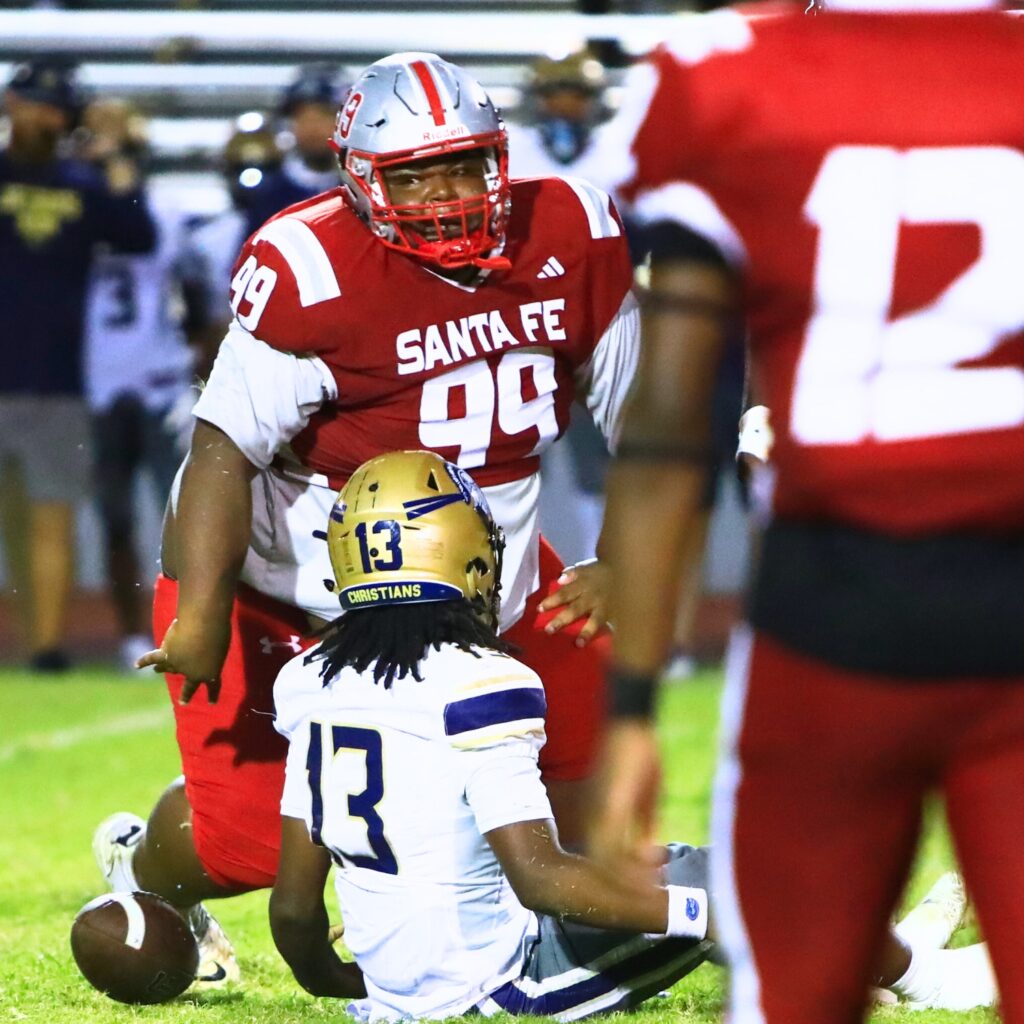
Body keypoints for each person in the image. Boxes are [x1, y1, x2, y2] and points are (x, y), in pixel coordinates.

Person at [93, 51, 638, 983]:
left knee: (577, 801)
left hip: (482, 582)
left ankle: (530, 944)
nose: (445, 195)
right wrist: (200, 614)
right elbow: (223, 449)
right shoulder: (309, 264)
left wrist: (629, 555)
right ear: (360, 183)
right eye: (414, 174)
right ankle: (142, 865)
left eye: (463, 165)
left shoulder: (571, 229)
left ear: (501, 158)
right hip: (295, 590)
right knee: (252, 850)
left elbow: (651, 416)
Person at [591, 2, 1024, 1022]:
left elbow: (665, 427)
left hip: (831, 616)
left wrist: (632, 710)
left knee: (796, 996)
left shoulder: (730, 71)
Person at [269, 449, 993, 1019]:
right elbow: (542, 879)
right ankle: (921, 975)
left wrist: (347, 984)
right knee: (735, 874)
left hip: (409, 995)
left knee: (663, 863)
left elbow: (295, 908)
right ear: (468, 558)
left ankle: (859, 956)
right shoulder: (478, 679)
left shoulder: (309, 681)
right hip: (502, 991)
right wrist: (708, 918)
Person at [0, 60, 154, 673]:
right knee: (39, 517)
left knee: (51, 514)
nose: (47, 117)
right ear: (12, 102)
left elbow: (138, 232)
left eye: (56, 108)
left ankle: (46, 649)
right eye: (37, 104)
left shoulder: (85, 183)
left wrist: (115, 154)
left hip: (57, 377)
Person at [79, 97, 198, 672]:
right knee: (116, 517)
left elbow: (178, 276)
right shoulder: (74, 206)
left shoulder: (165, 209)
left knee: (176, 515)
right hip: (96, 380)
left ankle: (185, 625)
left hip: (158, 377)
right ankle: (131, 633)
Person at [242, 64, 347, 234]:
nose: (312, 128)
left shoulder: (360, 189)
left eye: (323, 116)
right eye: (302, 116)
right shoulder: (269, 196)